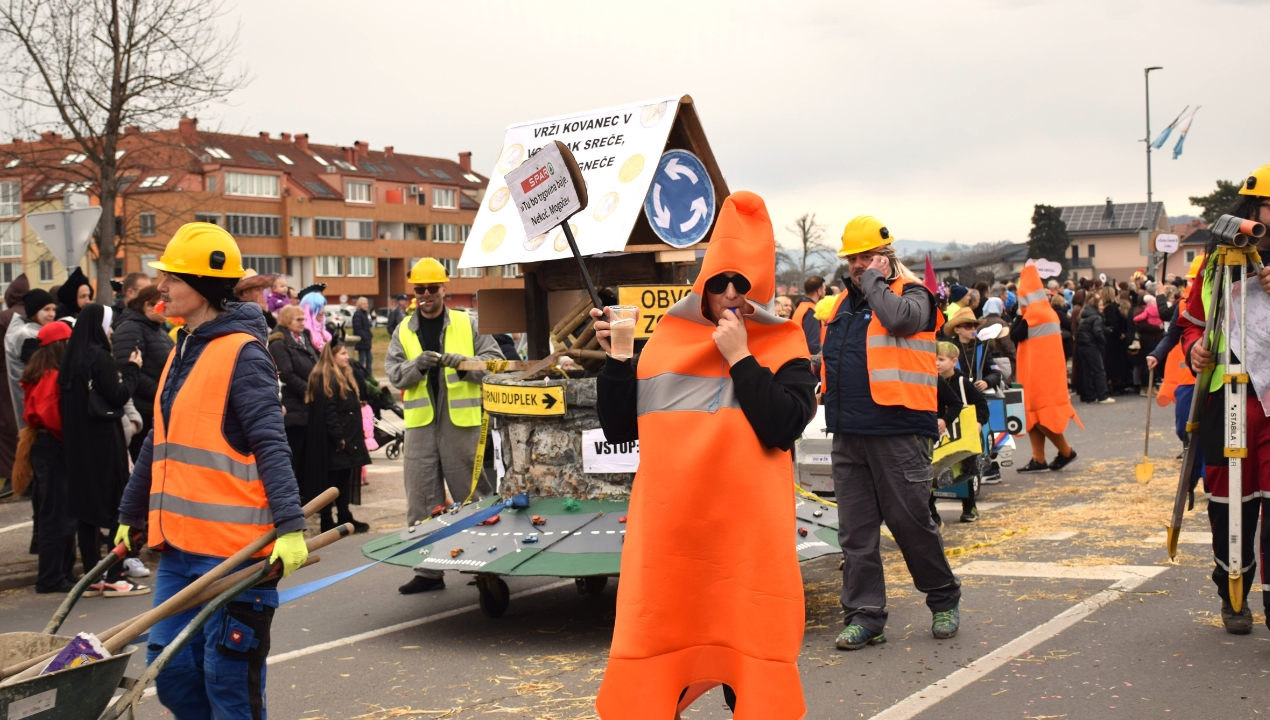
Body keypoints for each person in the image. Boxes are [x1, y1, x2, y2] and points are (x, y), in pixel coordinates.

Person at [592, 191, 813, 720]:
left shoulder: (785, 345)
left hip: (746, 541)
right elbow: (621, 428)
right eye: (720, 283)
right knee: (663, 660)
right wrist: (620, 362)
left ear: (759, 288)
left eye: (743, 283)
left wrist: (740, 357)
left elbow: (784, 426)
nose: (731, 294)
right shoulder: (667, 342)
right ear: (704, 285)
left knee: (750, 665)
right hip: (675, 538)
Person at [114, 222, 308, 717]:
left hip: (234, 552)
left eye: (173, 278)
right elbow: (162, 440)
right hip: (178, 550)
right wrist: (129, 513)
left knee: (228, 682)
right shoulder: (182, 348)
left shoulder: (244, 355)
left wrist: (290, 528)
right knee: (173, 673)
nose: (162, 287)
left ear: (202, 287)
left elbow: (271, 443)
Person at [821, 215, 961, 651]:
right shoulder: (842, 306)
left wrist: (877, 283)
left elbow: (899, 322)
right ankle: (865, 616)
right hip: (849, 432)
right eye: (854, 258)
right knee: (856, 533)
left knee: (911, 523)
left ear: (887, 257)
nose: (860, 264)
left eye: (869, 256)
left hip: (899, 430)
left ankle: (943, 599)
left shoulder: (915, 295)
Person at [1178, 165, 1270, 634]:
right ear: (1253, 209)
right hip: (1226, 401)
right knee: (1229, 502)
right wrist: (1194, 345)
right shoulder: (1217, 262)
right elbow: (1192, 320)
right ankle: (1232, 592)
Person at [385, 257, 501, 595]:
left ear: (444, 289)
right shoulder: (404, 329)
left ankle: (487, 566)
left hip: (460, 425)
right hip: (421, 427)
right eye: (419, 290)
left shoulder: (468, 323)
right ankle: (428, 571)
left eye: (431, 288)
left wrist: (465, 366)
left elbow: (493, 364)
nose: (425, 295)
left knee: (473, 496)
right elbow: (394, 374)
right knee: (421, 499)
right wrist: (415, 366)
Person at [59, 303, 147, 596]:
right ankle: (114, 574)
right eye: (108, 325)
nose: (110, 331)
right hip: (104, 445)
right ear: (98, 327)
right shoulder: (99, 357)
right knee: (115, 509)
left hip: (77, 447)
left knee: (87, 511)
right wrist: (132, 369)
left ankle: (92, 574)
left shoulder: (71, 361)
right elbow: (118, 395)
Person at [16, 321, 74, 592]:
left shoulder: (40, 370)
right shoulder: (51, 374)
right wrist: (69, 438)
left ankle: (59, 572)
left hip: (42, 442)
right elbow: (52, 414)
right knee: (55, 512)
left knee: (54, 510)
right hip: (52, 445)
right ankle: (51, 576)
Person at [1011, 263, 1083, 473]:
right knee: (1033, 415)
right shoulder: (1048, 311)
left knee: (1040, 417)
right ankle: (1038, 458)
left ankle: (1066, 451)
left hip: (1037, 375)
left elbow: (1015, 334)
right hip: (1048, 372)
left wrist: (1018, 312)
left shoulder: (1033, 314)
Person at [1149, 253, 1205, 504]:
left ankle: (1206, 480)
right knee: (1185, 429)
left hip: (1213, 380)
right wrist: (1156, 355)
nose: (1194, 286)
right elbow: (1172, 335)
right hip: (1187, 380)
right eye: (1192, 281)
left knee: (1211, 433)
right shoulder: (1184, 305)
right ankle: (1193, 478)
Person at [304, 339, 371, 533]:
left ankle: (344, 514)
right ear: (332, 356)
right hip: (334, 440)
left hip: (347, 436)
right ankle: (327, 518)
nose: (347, 357)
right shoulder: (327, 377)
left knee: (344, 477)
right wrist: (338, 436)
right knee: (330, 480)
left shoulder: (344, 375)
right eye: (342, 353)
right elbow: (329, 410)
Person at [112, 285, 175, 461]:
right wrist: (161, 393)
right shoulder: (131, 328)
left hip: (156, 408)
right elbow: (129, 371)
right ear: (148, 305)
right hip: (143, 411)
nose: (168, 308)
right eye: (164, 303)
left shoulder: (157, 329)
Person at [270, 304, 320, 512]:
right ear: (286, 320)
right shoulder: (280, 343)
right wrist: (310, 392)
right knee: (295, 454)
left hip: (308, 405)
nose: (303, 323)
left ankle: (307, 495)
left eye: (303, 319)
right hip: (294, 406)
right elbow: (287, 374)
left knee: (307, 455)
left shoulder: (303, 338)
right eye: (298, 320)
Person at [935, 341, 988, 524]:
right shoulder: (934, 380)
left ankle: (969, 505)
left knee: (965, 471)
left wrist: (979, 422)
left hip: (963, 433)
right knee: (937, 470)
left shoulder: (962, 382)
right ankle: (931, 510)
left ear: (954, 361)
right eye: (934, 359)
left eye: (941, 359)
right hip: (944, 432)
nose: (937, 363)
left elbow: (982, 406)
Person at [0, 274, 31, 496]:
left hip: (5, 377)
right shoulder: (31, 313)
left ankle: (14, 475)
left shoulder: (4, 317)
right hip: (31, 377)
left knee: (8, 426)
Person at [944, 307, 1001, 392]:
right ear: (957, 330)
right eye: (968, 326)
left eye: (975, 326)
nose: (973, 329)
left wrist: (986, 382)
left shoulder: (983, 348)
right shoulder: (948, 349)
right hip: (955, 394)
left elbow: (996, 371)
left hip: (978, 394)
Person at [1074, 294, 1112, 403]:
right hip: (1092, 346)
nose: (1102, 307)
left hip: (1083, 346)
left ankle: (1090, 396)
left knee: (1087, 371)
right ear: (1095, 306)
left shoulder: (1084, 316)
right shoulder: (1097, 317)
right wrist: (1103, 341)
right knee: (1099, 370)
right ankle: (1103, 395)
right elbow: (1097, 332)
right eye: (1100, 305)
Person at [791, 275, 826, 354]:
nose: (825, 292)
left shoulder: (802, 307)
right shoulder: (812, 311)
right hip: (810, 360)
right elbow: (813, 345)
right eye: (824, 289)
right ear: (819, 291)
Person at [352, 296, 373, 373]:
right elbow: (358, 328)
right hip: (362, 342)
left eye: (367, 304)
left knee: (369, 359)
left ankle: (368, 375)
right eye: (364, 304)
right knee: (362, 360)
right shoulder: (358, 314)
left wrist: (370, 335)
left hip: (366, 341)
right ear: (359, 304)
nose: (366, 305)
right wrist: (365, 336)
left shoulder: (365, 314)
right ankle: (361, 375)